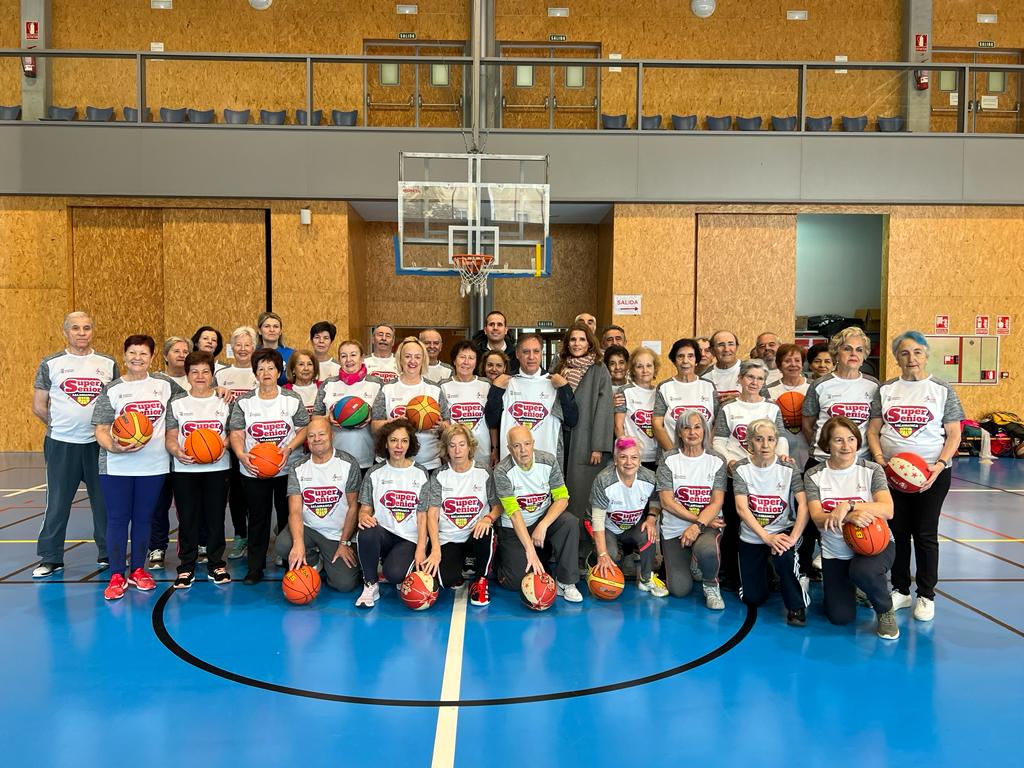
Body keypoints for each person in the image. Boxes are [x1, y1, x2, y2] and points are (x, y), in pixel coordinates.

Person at [867, 331, 963, 623]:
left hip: (932, 475)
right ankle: (900, 589)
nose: (912, 358)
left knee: (925, 534)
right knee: (897, 532)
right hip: (891, 476)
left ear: (926, 355)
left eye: (917, 352)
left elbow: (955, 433)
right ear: (896, 357)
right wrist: (882, 461)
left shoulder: (941, 389)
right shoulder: (885, 390)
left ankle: (926, 594)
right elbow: (873, 431)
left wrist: (940, 464)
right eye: (905, 353)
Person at [92, 335, 182, 600]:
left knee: (144, 518)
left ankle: (139, 570)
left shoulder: (165, 385)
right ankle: (117, 575)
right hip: (116, 464)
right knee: (118, 519)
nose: (137, 358)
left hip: (153, 465)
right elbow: (101, 428)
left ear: (152, 357)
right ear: (124, 355)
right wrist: (114, 446)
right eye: (132, 353)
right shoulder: (113, 389)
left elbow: (193, 401)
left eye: (143, 354)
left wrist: (217, 388)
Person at [31, 311, 118, 578]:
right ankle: (51, 556)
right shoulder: (51, 364)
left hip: (98, 444)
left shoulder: (107, 363)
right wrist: (60, 424)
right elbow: (39, 406)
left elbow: (114, 402)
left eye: (87, 327)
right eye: (76, 328)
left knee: (104, 502)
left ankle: (107, 552)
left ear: (93, 331)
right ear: (65, 331)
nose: (82, 332)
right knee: (57, 502)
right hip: (62, 444)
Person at [805, 416, 898, 639]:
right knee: (840, 617)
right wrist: (849, 518)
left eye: (851, 439)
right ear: (827, 445)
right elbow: (818, 518)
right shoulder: (814, 475)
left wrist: (848, 506)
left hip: (875, 545)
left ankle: (885, 610)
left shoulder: (871, 470)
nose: (846, 446)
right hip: (835, 552)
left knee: (863, 571)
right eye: (838, 440)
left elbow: (887, 509)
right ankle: (858, 589)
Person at [801, 327, 880, 578]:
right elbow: (808, 422)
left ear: (866, 354)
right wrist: (826, 449)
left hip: (858, 464)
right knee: (811, 522)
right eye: (847, 348)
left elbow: (875, 426)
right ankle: (803, 572)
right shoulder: (821, 385)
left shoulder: (873, 386)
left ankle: (860, 575)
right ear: (836, 352)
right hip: (823, 462)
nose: (853, 354)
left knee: (860, 518)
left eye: (859, 349)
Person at [228, 348, 310, 585]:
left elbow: (303, 428)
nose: (266, 373)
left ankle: (289, 564)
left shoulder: (291, 399)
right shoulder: (245, 402)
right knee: (258, 519)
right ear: (255, 373)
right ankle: (255, 567)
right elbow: (236, 432)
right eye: (260, 368)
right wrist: (241, 454)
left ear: (279, 371)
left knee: (287, 517)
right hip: (254, 470)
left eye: (270, 368)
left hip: (286, 468)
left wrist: (289, 448)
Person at [712, 358, 789, 591]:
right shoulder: (729, 408)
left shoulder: (771, 408)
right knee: (734, 526)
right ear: (740, 379)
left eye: (759, 378)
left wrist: (782, 457)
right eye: (750, 377)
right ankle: (730, 573)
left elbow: (781, 438)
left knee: (764, 522)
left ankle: (768, 571)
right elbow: (718, 441)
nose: (754, 382)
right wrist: (730, 461)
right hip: (736, 475)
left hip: (765, 477)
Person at [164, 351, 232, 588]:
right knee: (188, 519)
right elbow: (171, 436)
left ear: (212, 374)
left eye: (205, 371)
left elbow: (234, 433)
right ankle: (186, 566)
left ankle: (216, 563)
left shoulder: (225, 401)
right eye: (195, 372)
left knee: (215, 517)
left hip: (218, 467)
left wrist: (222, 445)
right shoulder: (177, 403)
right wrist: (176, 451)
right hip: (185, 470)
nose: (200, 376)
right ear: (187, 375)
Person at [732, 418, 809, 626]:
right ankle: (768, 573)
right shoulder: (741, 469)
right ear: (750, 443)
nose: (765, 445)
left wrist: (792, 539)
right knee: (753, 598)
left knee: (784, 556)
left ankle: (796, 606)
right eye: (759, 439)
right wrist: (766, 537)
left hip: (782, 531)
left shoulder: (788, 468)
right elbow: (742, 508)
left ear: (777, 442)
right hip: (754, 536)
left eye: (770, 439)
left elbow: (804, 505)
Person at [492, 426, 581, 602]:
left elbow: (563, 498)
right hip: (514, 528)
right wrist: (529, 549)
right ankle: (500, 558)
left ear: (533, 444)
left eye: (526, 444)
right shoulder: (502, 471)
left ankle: (566, 582)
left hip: (541, 521)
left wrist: (543, 524)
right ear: (509, 449)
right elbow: (514, 513)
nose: (523, 450)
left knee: (569, 522)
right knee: (515, 582)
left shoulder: (548, 461)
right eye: (516, 446)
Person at [276, 417, 361, 592]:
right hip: (310, 528)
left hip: (336, 534)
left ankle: (329, 556)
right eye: (311, 436)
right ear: (307, 440)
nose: (317, 439)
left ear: (331, 435)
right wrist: (298, 543)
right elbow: (295, 511)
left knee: (344, 585)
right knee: (284, 545)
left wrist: (344, 542)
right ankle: (313, 558)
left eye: (321, 434)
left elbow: (354, 506)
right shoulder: (298, 467)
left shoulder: (348, 463)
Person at [418, 423, 499, 606]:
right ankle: (461, 567)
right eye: (452, 445)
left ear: (470, 446)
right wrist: (436, 549)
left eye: (462, 444)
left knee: (487, 531)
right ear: (446, 449)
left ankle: (480, 580)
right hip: (449, 539)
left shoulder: (484, 472)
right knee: (445, 581)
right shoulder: (439, 475)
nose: (457, 450)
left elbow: (498, 506)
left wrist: (488, 518)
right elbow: (432, 515)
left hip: (475, 535)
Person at [354, 418, 430, 608]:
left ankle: (397, 563)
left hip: (409, 538)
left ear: (410, 444)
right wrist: (363, 516)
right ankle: (370, 584)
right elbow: (365, 509)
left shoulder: (421, 473)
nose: (399, 446)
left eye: (404, 441)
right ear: (385, 443)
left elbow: (423, 517)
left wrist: (421, 548)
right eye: (394, 440)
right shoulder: (374, 473)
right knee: (366, 531)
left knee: (394, 574)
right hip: (384, 533)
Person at [656, 410, 727, 608]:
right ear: (679, 432)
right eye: (686, 427)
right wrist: (697, 520)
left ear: (704, 431)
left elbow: (717, 502)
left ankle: (711, 584)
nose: (692, 432)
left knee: (707, 550)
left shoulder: (717, 460)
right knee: (679, 590)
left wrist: (698, 526)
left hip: (707, 525)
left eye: (697, 427)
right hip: (675, 529)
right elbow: (667, 502)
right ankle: (693, 562)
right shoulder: (669, 459)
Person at [590, 437, 668, 597]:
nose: (629, 462)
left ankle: (646, 579)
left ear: (640, 460)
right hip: (606, 527)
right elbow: (597, 520)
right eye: (623, 457)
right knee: (608, 555)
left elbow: (656, 499)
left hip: (632, 525)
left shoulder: (649, 477)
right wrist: (602, 554)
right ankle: (591, 560)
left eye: (634, 457)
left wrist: (652, 518)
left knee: (649, 533)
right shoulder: (604, 480)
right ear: (615, 460)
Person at [553, 322, 614, 522]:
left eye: (581, 339)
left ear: (589, 343)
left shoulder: (598, 369)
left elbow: (604, 409)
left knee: (581, 494)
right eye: (572, 339)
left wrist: (598, 446)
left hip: (586, 441)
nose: (577, 343)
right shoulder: (560, 368)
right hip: (561, 436)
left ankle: (583, 546)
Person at [485, 333, 578, 464]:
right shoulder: (506, 382)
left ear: (541, 353)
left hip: (546, 463)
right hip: (512, 464)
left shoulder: (555, 383)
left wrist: (564, 388)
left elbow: (572, 420)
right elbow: (491, 421)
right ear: (517, 354)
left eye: (536, 351)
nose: (531, 357)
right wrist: (496, 390)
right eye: (526, 352)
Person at [215, 326, 259, 560]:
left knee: (254, 492)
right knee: (235, 494)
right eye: (238, 345)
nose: (243, 349)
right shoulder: (221, 373)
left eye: (247, 344)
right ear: (233, 347)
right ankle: (240, 535)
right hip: (226, 442)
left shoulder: (259, 372)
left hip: (254, 442)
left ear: (254, 346)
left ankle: (256, 536)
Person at [371, 336, 445, 470]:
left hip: (428, 463)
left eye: (417, 357)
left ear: (423, 360)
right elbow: (374, 426)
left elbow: (448, 425)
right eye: (408, 356)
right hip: (392, 463)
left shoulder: (435, 389)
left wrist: (440, 426)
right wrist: (392, 423)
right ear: (400, 359)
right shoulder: (387, 388)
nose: (412, 361)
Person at [314, 339, 381, 474]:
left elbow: (383, 419)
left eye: (353, 355)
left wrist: (371, 416)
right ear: (339, 359)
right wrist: (328, 418)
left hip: (367, 458)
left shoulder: (377, 384)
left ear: (362, 358)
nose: (348, 359)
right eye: (344, 356)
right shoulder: (328, 384)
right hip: (334, 457)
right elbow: (315, 418)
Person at [652, 338, 718, 455]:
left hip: (704, 456)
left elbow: (717, 422)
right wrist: (674, 454)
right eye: (680, 356)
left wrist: (707, 450)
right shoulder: (664, 387)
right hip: (672, 455)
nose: (685, 361)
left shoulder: (708, 386)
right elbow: (657, 424)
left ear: (696, 360)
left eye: (690, 356)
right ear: (674, 361)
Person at [441, 341, 492, 466]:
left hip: (483, 451)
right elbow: (442, 421)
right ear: (454, 360)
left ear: (476, 362)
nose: (466, 362)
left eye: (471, 358)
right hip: (455, 452)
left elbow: (493, 420)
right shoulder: (443, 386)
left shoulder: (487, 384)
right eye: (462, 357)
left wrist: (495, 448)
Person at [614, 346, 659, 470]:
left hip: (657, 456)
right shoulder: (625, 391)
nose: (645, 370)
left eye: (649, 366)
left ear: (655, 369)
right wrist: (628, 452)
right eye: (639, 366)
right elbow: (618, 426)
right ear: (633, 370)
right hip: (633, 457)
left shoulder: (660, 392)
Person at [767, 343, 810, 469]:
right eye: (787, 361)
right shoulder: (768, 390)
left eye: (797, 360)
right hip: (780, 446)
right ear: (779, 365)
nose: (793, 364)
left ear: (802, 364)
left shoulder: (813, 387)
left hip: (807, 445)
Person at [701, 330, 742, 404]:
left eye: (731, 344)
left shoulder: (752, 372)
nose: (726, 349)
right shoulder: (704, 377)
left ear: (737, 347)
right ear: (712, 350)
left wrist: (741, 399)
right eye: (721, 345)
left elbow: (765, 403)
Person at [472, 310, 518, 375]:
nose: (495, 328)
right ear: (485, 330)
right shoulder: (475, 354)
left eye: (499, 324)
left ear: (506, 330)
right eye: (491, 324)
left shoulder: (516, 355)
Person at [256, 311, 292, 385]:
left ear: (280, 331)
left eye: (276, 326)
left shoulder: (291, 355)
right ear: (259, 331)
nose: (272, 330)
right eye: (267, 326)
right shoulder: (253, 354)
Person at [283, 349, 320, 415]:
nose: (306, 368)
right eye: (301, 364)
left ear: (314, 368)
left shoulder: (324, 387)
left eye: (309, 364)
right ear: (293, 369)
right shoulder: (284, 391)